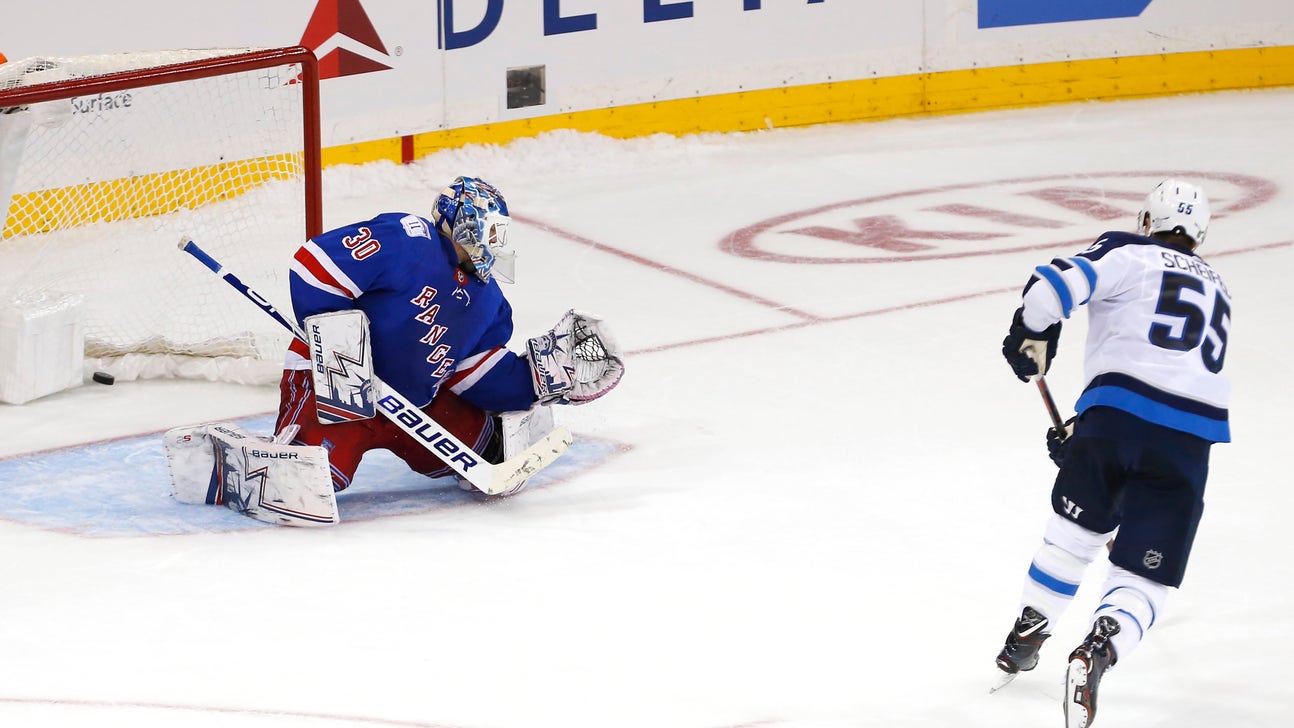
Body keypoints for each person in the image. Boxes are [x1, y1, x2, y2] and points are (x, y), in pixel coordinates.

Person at [992, 179, 1230, 728]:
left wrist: (1031, 332)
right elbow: (1175, 375)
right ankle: (1097, 649)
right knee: (1146, 577)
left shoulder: (1129, 251)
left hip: (1113, 418)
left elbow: (1048, 290)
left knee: (1073, 535)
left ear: (1147, 221)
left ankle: (1029, 628)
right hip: (1187, 440)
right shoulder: (1219, 287)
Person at [274, 175, 624, 496]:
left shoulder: (488, 300)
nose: (496, 243)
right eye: (492, 231)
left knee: (492, 450)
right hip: (334, 390)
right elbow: (315, 267)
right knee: (306, 481)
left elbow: (478, 375)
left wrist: (536, 382)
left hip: (412, 408)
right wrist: (339, 350)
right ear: (467, 223)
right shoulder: (407, 240)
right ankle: (269, 462)